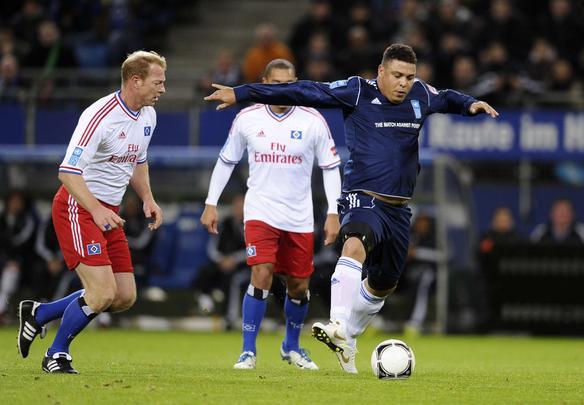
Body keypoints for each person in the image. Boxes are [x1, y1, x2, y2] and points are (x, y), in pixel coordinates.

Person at [204, 43, 498, 373]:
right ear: (382, 72)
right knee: (354, 244)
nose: (404, 83)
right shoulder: (357, 91)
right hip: (363, 196)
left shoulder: (421, 95)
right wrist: (242, 93)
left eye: (410, 77)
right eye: (398, 75)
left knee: (383, 283)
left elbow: (447, 98)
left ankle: (349, 338)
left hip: (399, 208)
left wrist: (471, 104)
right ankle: (338, 324)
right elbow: (305, 91)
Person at [16, 50, 166, 374]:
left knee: (124, 296)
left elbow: (138, 160)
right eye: (158, 82)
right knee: (101, 293)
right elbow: (68, 172)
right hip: (79, 206)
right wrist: (95, 209)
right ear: (135, 80)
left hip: (108, 212)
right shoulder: (99, 116)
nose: (163, 89)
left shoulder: (148, 116)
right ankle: (56, 355)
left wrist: (147, 199)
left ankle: (39, 314)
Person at [200, 58, 342, 370]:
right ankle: (247, 351)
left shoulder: (312, 119)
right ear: (264, 82)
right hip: (260, 211)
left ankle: (291, 347)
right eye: (276, 84)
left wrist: (333, 211)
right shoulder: (248, 118)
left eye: (288, 85)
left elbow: (330, 168)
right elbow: (226, 161)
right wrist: (211, 201)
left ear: (297, 84)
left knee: (299, 286)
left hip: (299, 217)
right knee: (261, 271)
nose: (282, 90)